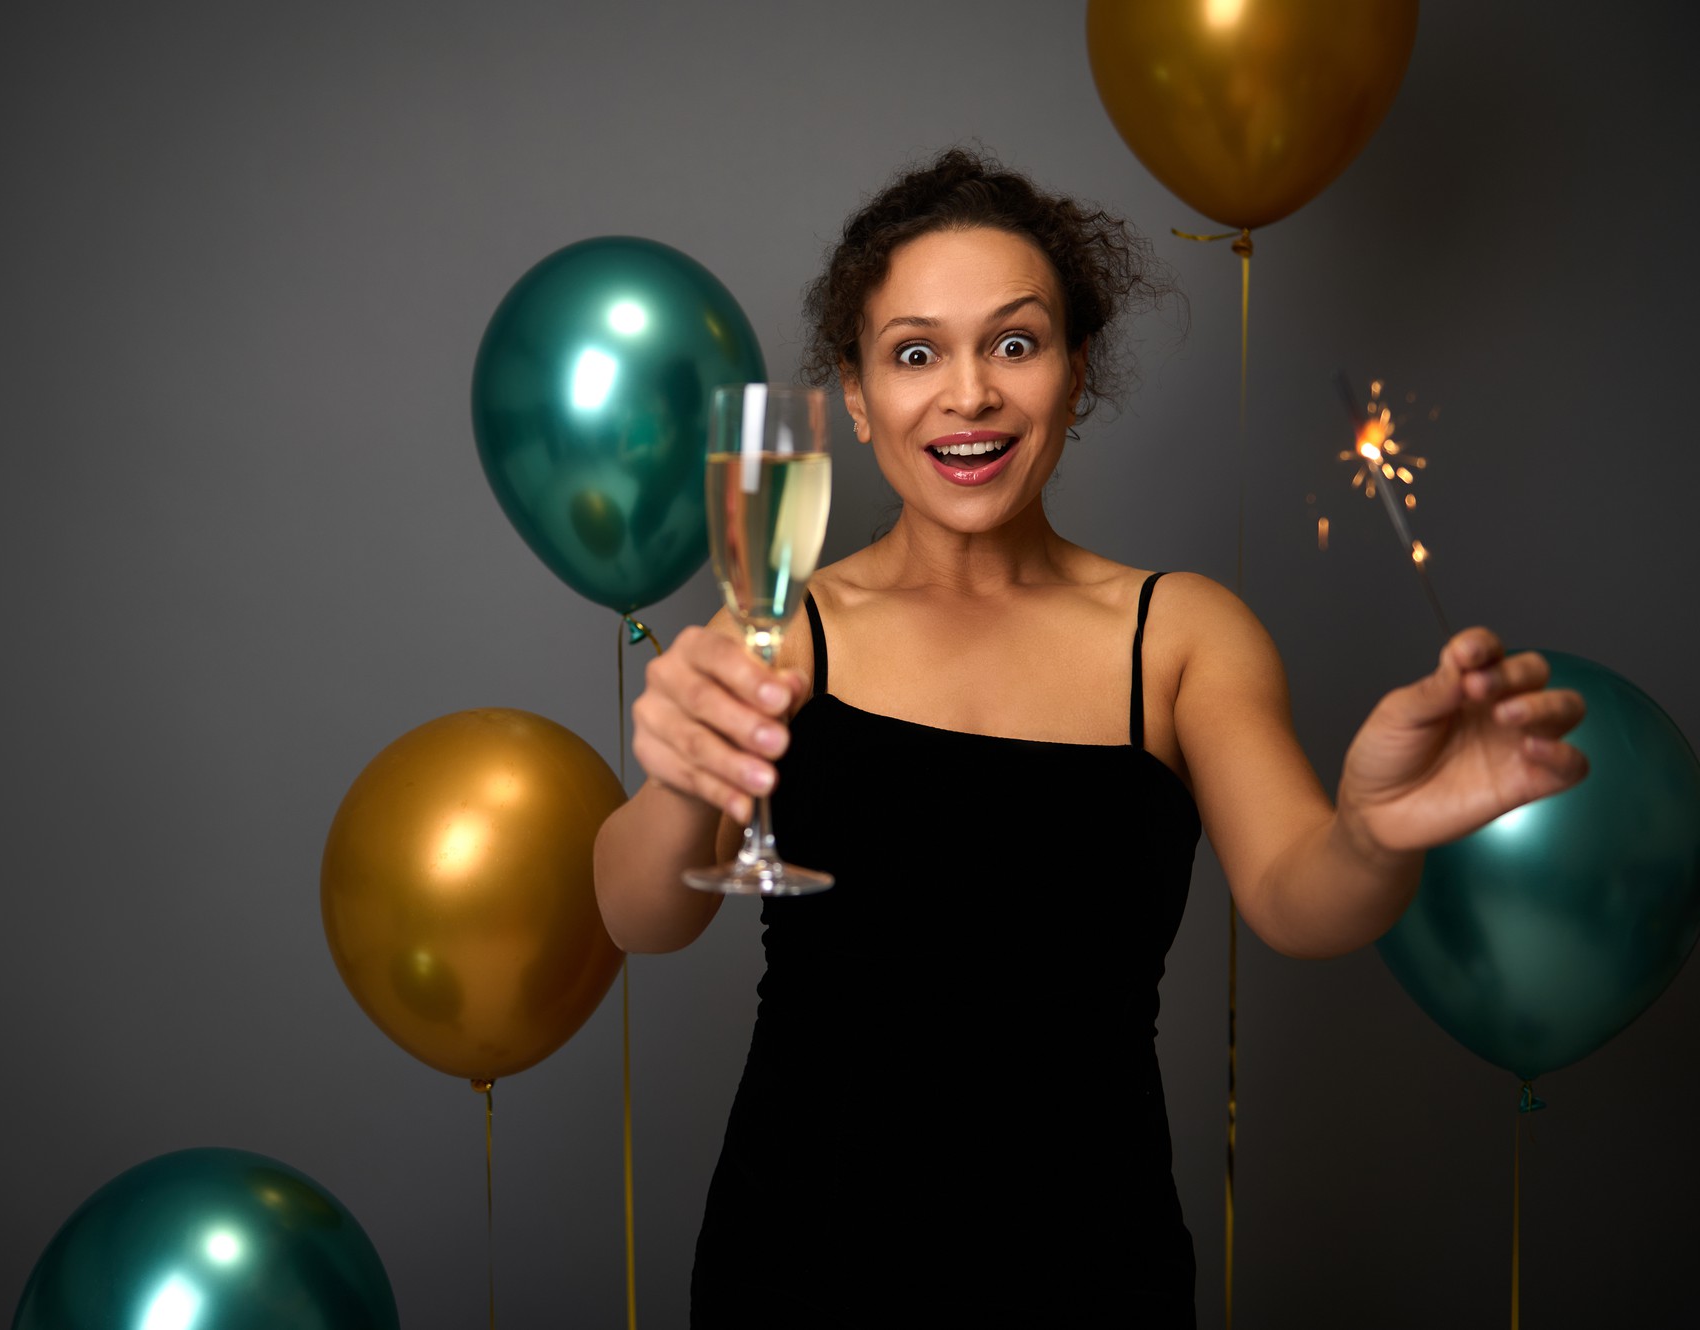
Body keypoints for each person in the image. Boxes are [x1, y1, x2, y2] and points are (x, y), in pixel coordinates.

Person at [592, 148, 1587, 1327]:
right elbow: (637, 917)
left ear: (1074, 375)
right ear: (854, 400)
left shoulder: (1180, 635)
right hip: (800, 1260)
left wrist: (1371, 833)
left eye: (1015, 343)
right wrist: (672, 785)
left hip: (1086, 1265)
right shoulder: (784, 628)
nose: (969, 394)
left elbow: (1295, 899)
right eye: (915, 353)